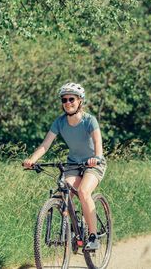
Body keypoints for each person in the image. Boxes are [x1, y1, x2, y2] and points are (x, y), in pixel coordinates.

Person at [23, 82, 106, 250]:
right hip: (74, 164)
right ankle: (75, 229)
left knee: (83, 191)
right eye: (64, 100)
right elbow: (45, 145)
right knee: (64, 191)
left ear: (80, 101)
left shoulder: (90, 120)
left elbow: (98, 141)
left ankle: (93, 236)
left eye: (71, 99)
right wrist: (32, 159)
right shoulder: (60, 122)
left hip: (93, 164)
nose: (67, 103)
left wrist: (96, 157)